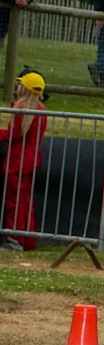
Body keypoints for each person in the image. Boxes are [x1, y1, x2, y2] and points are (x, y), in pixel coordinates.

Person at [0, 70, 47, 251]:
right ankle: (27, 238)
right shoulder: (40, 110)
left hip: (18, 160)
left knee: (14, 200)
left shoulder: (22, 109)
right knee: (25, 200)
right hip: (31, 159)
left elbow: (14, 134)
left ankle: (15, 237)